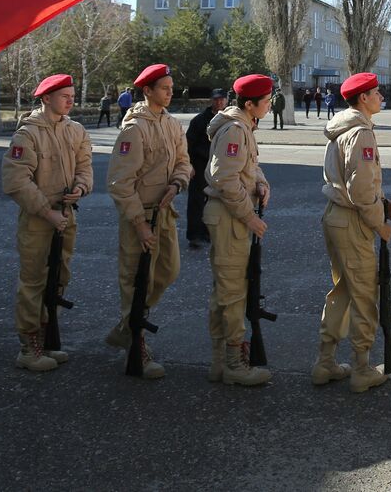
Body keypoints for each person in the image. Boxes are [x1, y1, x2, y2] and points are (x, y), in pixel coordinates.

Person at [0, 73, 92, 372]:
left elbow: (85, 165)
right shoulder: (28, 134)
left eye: (72, 94)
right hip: (40, 219)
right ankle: (29, 347)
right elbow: (15, 181)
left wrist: (80, 187)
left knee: (59, 278)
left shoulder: (75, 130)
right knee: (34, 281)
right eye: (64, 95)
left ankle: (46, 338)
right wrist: (47, 211)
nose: (70, 99)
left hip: (66, 216)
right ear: (46, 98)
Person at [104, 63, 192, 379]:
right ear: (148, 91)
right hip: (139, 218)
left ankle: (128, 326)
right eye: (165, 88)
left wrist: (177, 183)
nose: (170, 92)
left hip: (164, 213)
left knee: (168, 271)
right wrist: (139, 222)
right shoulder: (135, 129)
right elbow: (119, 182)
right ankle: (136, 342)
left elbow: (185, 162)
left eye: (171, 87)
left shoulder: (170, 124)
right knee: (135, 281)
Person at [314, 71, 391, 392]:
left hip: (336, 215)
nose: (380, 97)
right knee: (363, 293)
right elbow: (360, 189)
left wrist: (383, 200)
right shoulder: (360, 133)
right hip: (352, 219)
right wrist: (380, 224)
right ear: (363, 98)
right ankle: (362, 367)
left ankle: (325, 361)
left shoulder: (344, 129)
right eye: (376, 93)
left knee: (343, 290)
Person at [204, 74, 275, 387]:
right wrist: (250, 216)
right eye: (267, 101)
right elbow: (225, 178)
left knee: (226, 290)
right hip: (230, 216)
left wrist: (260, 181)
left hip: (230, 215)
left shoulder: (244, 125)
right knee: (233, 293)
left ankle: (221, 362)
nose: (270, 105)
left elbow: (245, 169)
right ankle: (234, 362)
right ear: (250, 104)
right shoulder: (235, 128)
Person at [184, 88, 227, 251]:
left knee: (214, 201)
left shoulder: (228, 120)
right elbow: (187, 144)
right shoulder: (199, 120)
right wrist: (188, 165)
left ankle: (209, 232)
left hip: (219, 167)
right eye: (216, 99)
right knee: (196, 201)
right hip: (200, 165)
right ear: (211, 100)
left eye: (222, 99)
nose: (219, 102)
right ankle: (194, 235)